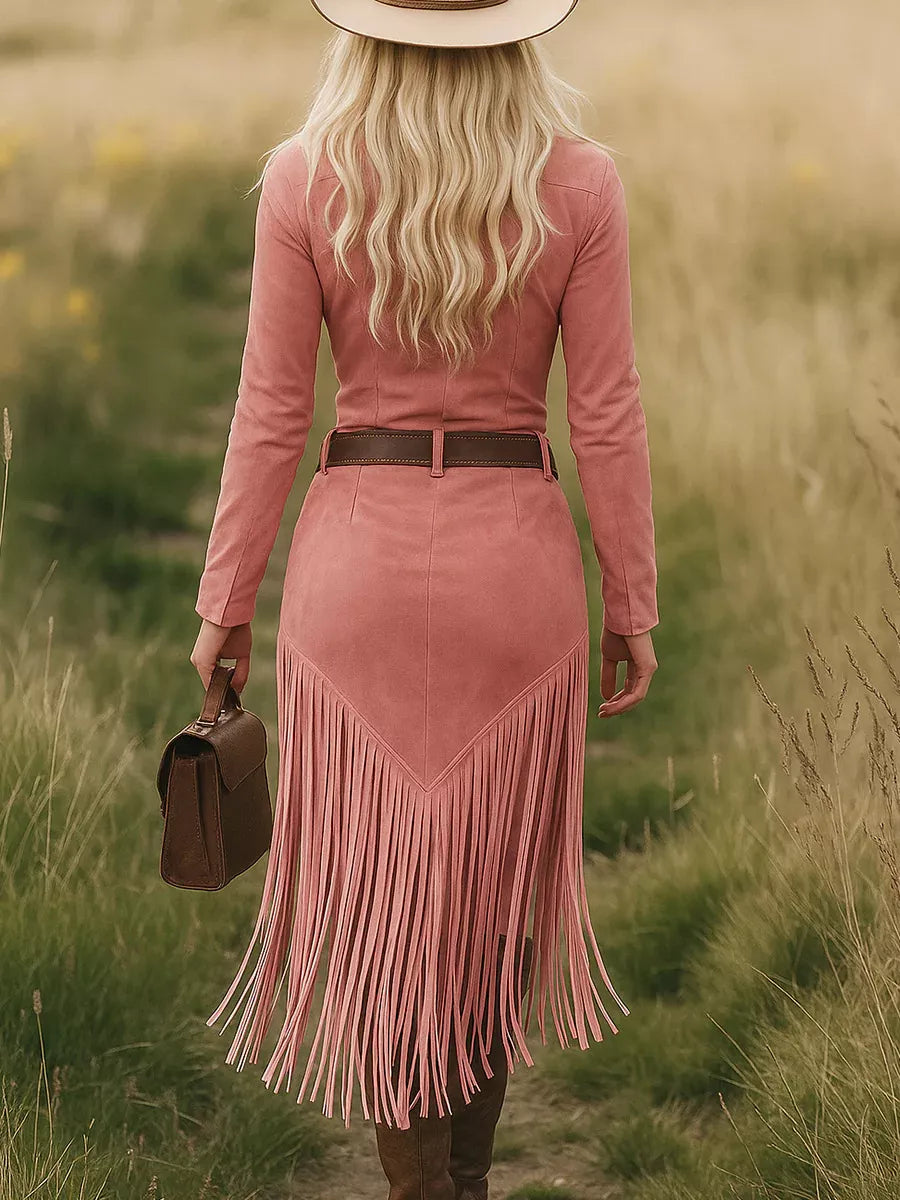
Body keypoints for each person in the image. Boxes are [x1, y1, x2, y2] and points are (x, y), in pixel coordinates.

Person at [190, 0, 660, 1194]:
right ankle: (468, 1184)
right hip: (520, 585)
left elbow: (271, 410)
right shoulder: (583, 185)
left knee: (387, 916)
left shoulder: (304, 178)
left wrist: (225, 596)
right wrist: (631, 599)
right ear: (513, 36)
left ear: (367, 34)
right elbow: (606, 412)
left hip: (353, 583)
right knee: (491, 910)